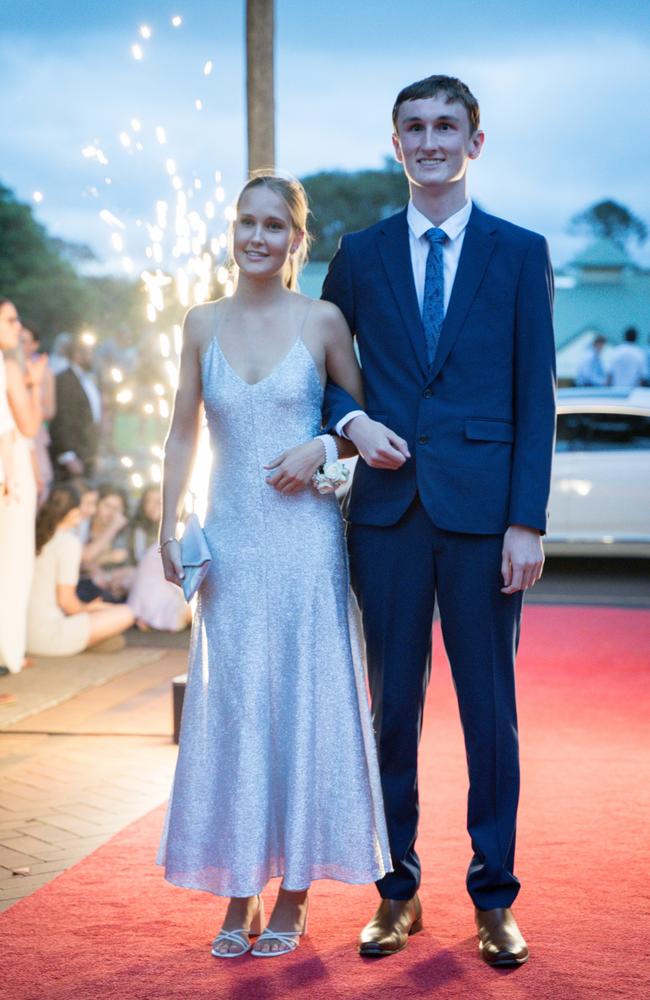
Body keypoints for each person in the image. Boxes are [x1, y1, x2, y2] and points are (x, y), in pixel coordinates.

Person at [319, 75, 556, 967]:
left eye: (446, 126)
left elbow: (538, 396)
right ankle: (397, 889)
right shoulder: (360, 251)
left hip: (484, 520)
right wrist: (349, 422)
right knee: (392, 713)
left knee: (491, 715)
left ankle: (494, 895)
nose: (430, 140)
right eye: (413, 127)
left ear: (474, 142)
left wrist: (525, 520)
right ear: (396, 143)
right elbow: (327, 376)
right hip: (384, 518)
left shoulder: (518, 252)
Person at [157, 174, 391, 959]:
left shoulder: (323, 321)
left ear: (298, 242)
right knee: (236, 714)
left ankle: (293, 893)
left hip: (304, 547)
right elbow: (183, 431)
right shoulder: (198, 324)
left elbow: (358, 425)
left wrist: (324, 447)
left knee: (302, 708)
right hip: (229, 548)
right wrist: (167, 524)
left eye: (273, 226)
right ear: (233, 231)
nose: (257, 237)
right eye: (245, 222)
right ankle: (239, 892)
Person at [26, 483, 134, 656]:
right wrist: (90, 608)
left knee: (109, 624)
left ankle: (93, 639)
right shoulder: (68, 543)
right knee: (127, 613)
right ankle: (89, 640)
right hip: (47, 634)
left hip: (21, 633)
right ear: (73, 510)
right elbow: (67, 602)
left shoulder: (35, 536)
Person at [0, 298, 44, 674]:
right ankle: (7, 654)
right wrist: (34, 384)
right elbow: (29, 425)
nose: (17, 327)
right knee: (13, 565)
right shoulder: (9, 365)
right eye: (10, 320)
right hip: (8, 475)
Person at [127, 484, 191, 632]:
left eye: (159, 502)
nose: (154, 506)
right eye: (149, 501)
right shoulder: (138, 530)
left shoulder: (180, 530)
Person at [48, 333, 101, 481]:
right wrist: (67, 454)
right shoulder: (65, 380)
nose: (93, 356)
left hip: (86, 453)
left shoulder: (88, 380)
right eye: (90, 352)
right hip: (71, 457)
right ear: (77, 354)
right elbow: (62, 418)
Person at [78, 483, 133, 602]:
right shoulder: (84, 525)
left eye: (117, 508)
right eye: (107, 505)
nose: (112, 512)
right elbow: (82, 560)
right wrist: (107, 557)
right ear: (97, 504)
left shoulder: (121, 533)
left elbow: (122, 560)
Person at [20, 323, 56, 503]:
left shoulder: (45, 371)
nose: (20, 344)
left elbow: (50, 411)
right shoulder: (7, 366)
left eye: (24, 341)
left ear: (35, 344)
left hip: (34, 433)